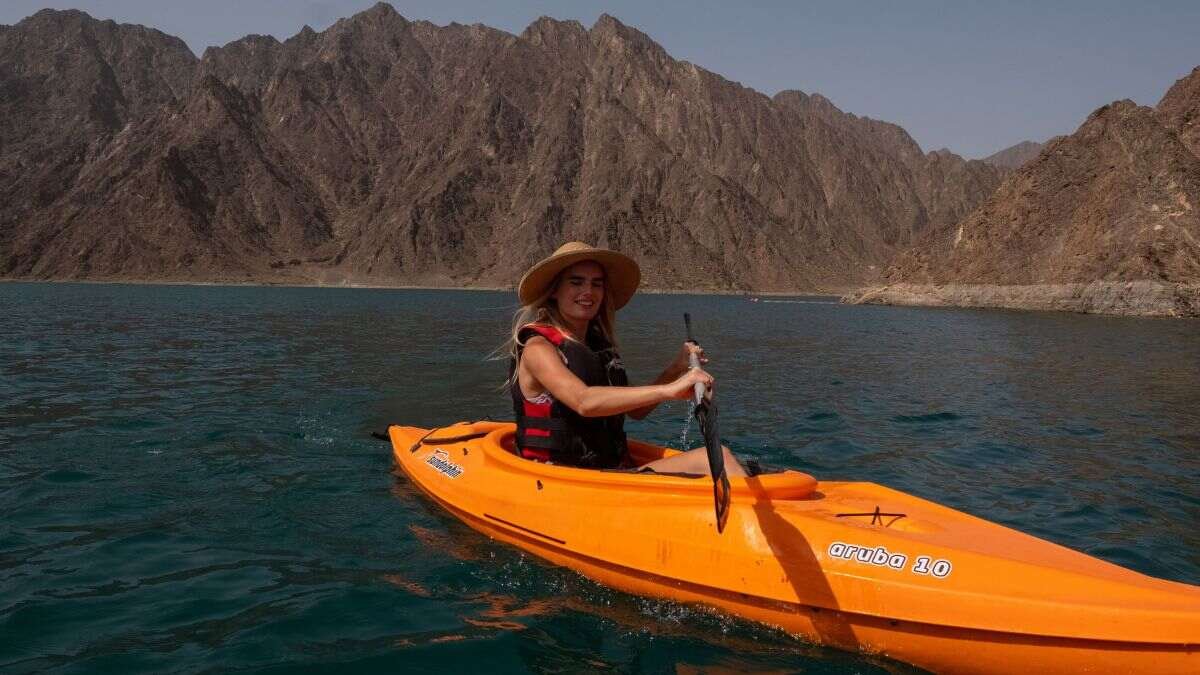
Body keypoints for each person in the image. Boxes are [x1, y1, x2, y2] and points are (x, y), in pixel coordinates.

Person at [505, 241, 746, 476]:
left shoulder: (599, 348)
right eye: (576, 282)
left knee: (728, 461)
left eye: (596, 284)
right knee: (720, 458)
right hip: (562, 478)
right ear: (554, 290)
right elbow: (583, 401)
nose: (588, 292)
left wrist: (676, 368)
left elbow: (637, 411)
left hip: (608, 471)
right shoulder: (538, 347)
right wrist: (670, 390)